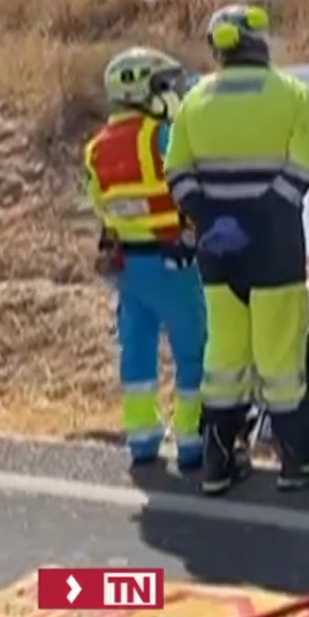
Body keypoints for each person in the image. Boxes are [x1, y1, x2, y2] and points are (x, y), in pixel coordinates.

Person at [165, 3, 309, 496]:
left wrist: (214, 219)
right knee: (280, 359)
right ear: (260, 42)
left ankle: (217, 463)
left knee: (224, 357)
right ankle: (296, 462)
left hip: (218, 253)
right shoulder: (293, 95)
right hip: (275, 249)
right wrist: (260, 219)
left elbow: (177, 173)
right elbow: (302, 168)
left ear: (219, 47)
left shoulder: (194, 102)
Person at [84, 47, 206, 469]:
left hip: (127, 267)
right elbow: (193, 186)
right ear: (144, 90)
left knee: (136, 349)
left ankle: (141, 437)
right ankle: (192, 439)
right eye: (165, 85)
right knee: (195, 351)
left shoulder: (95, 149)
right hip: (173, 261)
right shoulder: (162, 137)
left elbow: (101, 206)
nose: (171, 92)